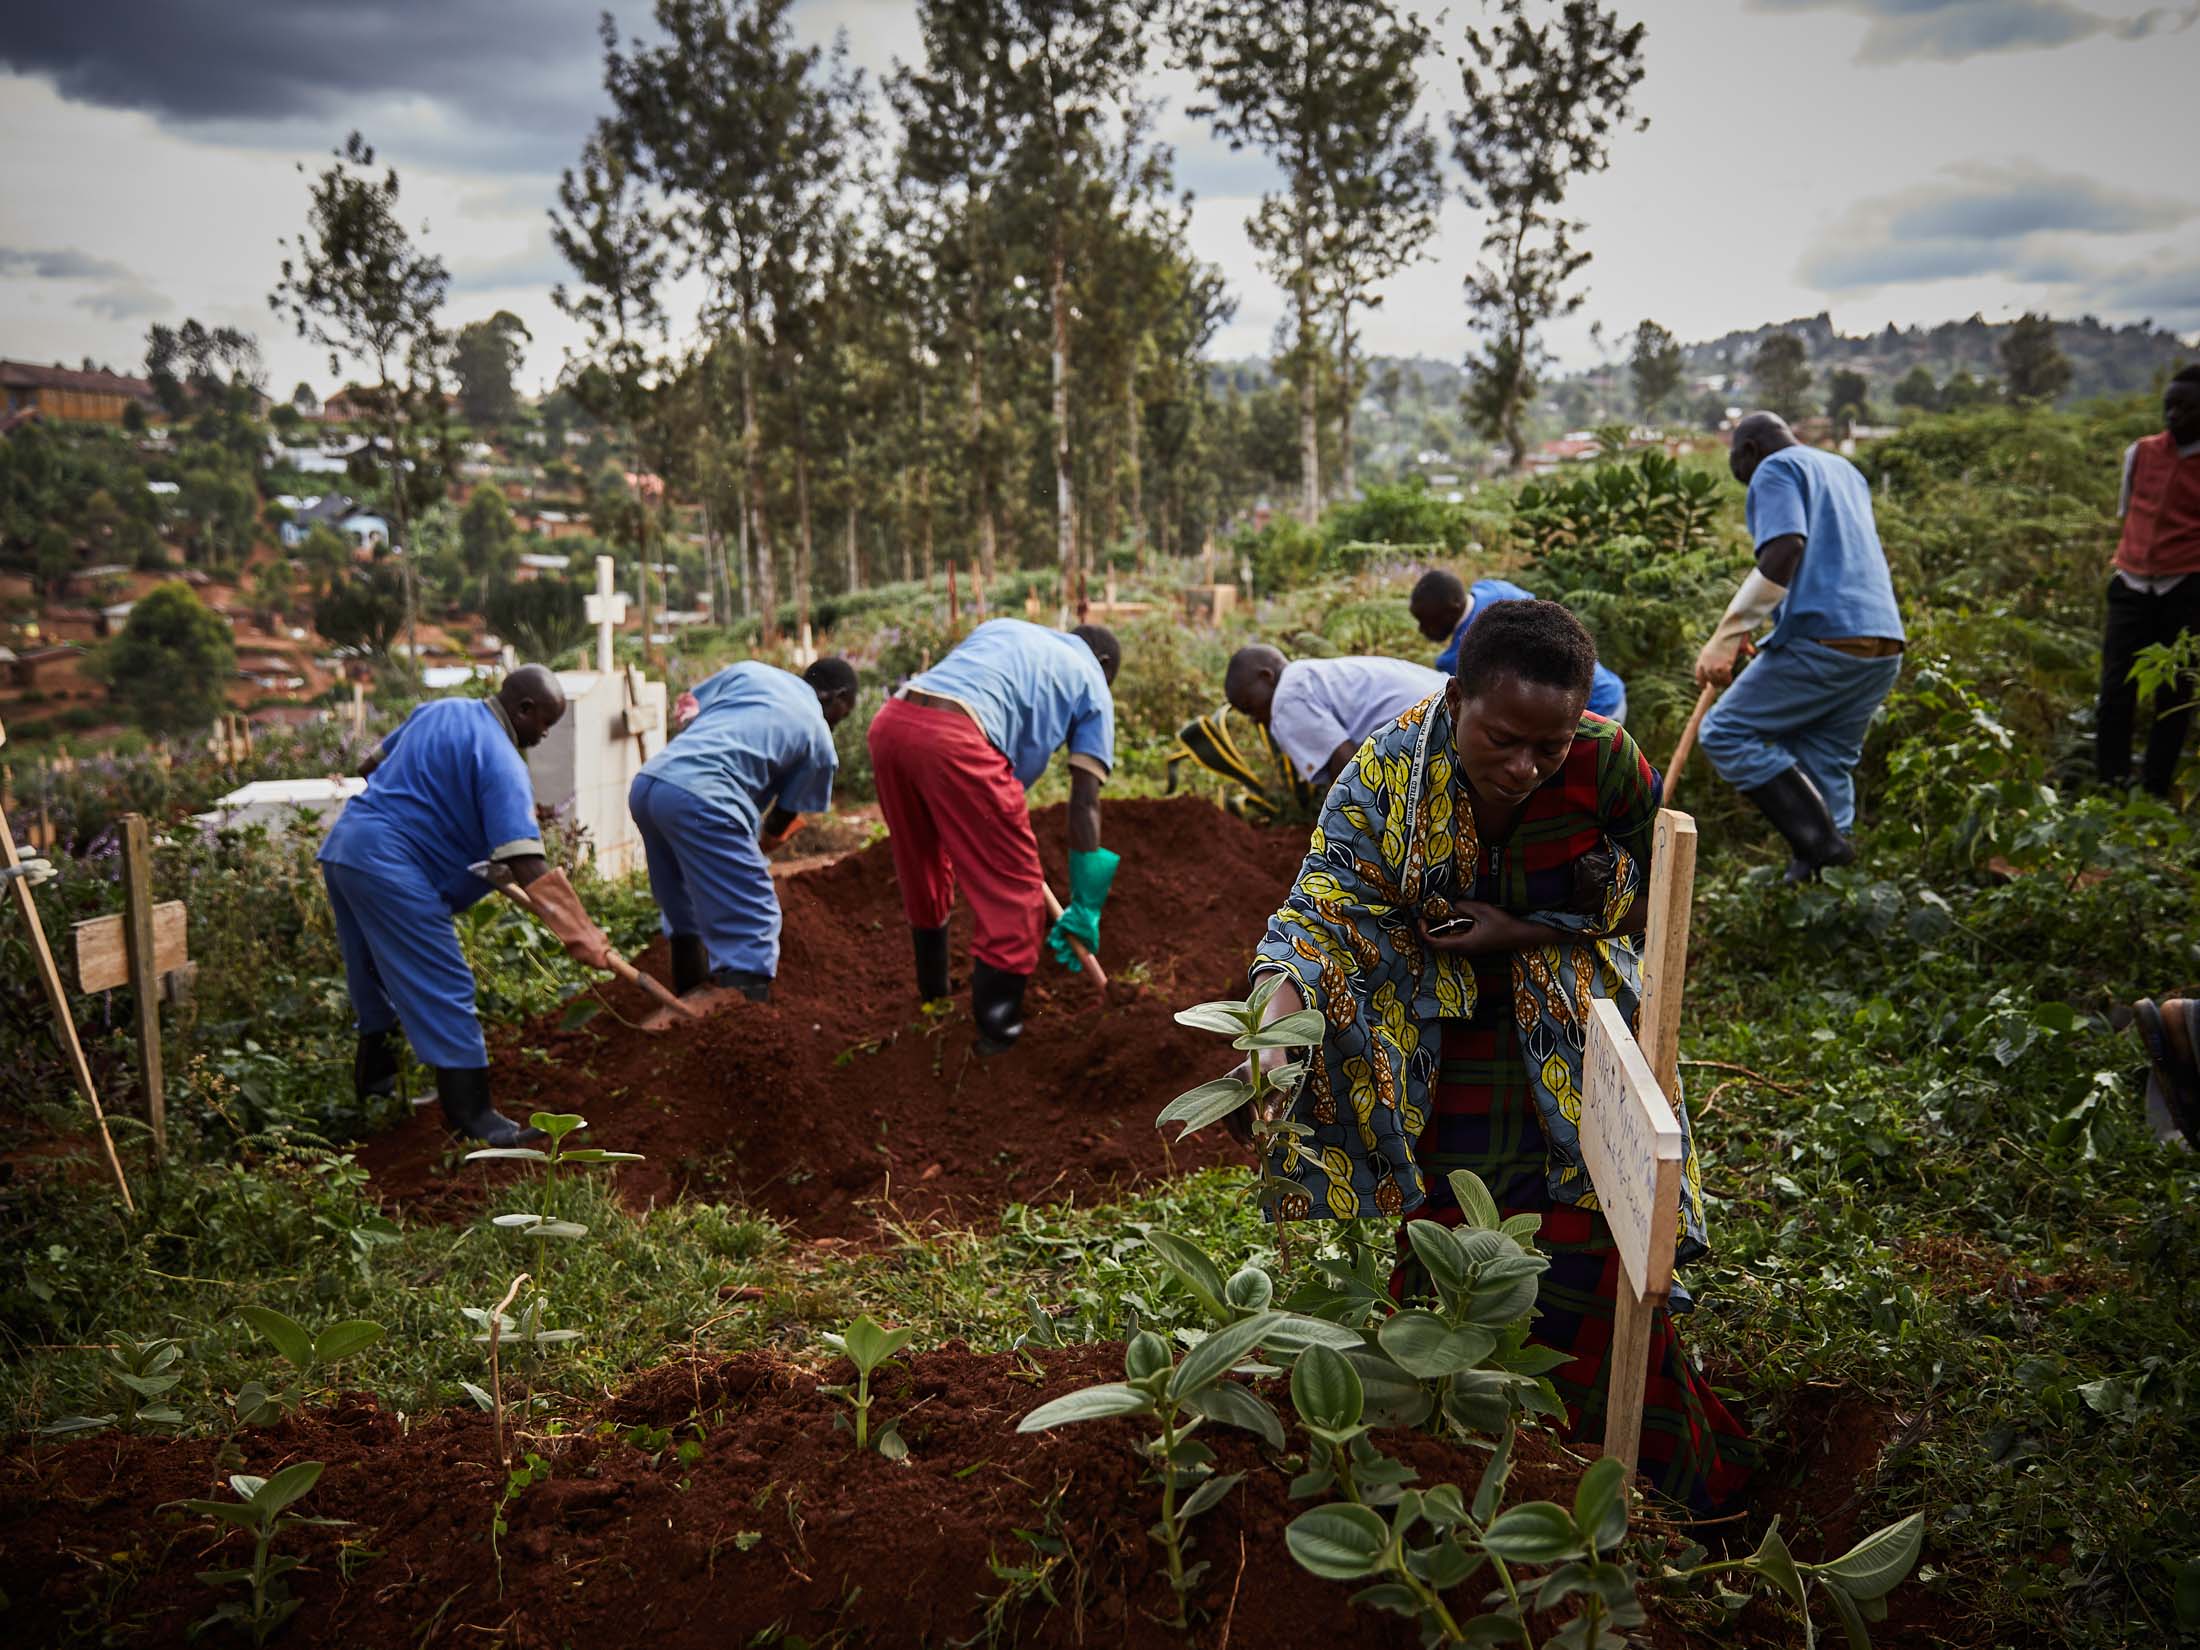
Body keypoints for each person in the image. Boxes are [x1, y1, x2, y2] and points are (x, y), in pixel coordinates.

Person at [1246, 601, 1747, 1510]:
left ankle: (1652, 1491)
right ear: (1457, 696)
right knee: (1447, 1257)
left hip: (1570, 1055)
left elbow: (1650, 905)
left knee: (1595, 1259)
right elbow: (1321, 907)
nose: (1525, 766)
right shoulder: (1388, 769)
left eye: (1547, 748)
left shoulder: (1608, 766)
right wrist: (1272, 1034)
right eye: (1503, 738)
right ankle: (1466, 1477)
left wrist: (1513, 931)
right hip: (1439, 1055)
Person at [320, 665, 610, 1147]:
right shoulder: (503, 761)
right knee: (445, 982)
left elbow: (370, 767)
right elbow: (528, 862)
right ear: (523, 710)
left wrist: (427, 812)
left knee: (369, 974)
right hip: (391, 867)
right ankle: (474, 1118)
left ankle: (376, 1091)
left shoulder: (440, 711)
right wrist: (584, 935)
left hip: (346, 849)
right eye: (544, 722)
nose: (543, 733)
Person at [867, 618, 1121, 1052]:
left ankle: (934, 996)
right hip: (958, 741)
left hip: (892, 724)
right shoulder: (1092, 679)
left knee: (922, 863)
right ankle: (997, 1041)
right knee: (1015, 889)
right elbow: (1084, 801)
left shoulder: (1006, 629)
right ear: (1102, 662)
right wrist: (1086, 904)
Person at [1694, 412, 1905, 880]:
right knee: (1826, 757)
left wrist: (1725, 636)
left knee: (1726, 732)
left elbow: (1786, 548)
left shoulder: (1774, 468)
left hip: (1825, 641)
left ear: (1748, 450)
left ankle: (1822, 845)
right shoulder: (1843, 470)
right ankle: (1829, 887)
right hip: (1881, 644)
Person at [627, 658, 859, 1007]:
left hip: (651, 784)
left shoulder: (752, 672)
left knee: (683, 910)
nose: (841, 722)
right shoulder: (819, 737)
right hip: (703, 798)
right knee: (754, 917)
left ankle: (687, 1010)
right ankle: (746, 1033)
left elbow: (690, 710)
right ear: (839, 698)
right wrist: (761, 845)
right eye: (846, 712)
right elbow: (782, 818)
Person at [2096, 366, 2200, 796]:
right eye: (2169, 406)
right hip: (2132, 584)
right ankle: (2110, 786)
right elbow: (2127, 511)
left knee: (2174, 698)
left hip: (2186, 589)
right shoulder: (2139, 453)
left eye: (2186, 408)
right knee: (2115, 691)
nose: (2173, 416)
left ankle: (2156, 790)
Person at [1411, 568, 1628, 722]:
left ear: (1452, 608)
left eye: (1425, 620)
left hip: (1591, 713)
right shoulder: (1494, 590)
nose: (1421, 630)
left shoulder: (1457, 657)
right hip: (1608, 689)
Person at [1223, 645, 1449, 791]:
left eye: (1247, 706)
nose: (1252, 719)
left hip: (1432, 730)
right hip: (1451, 704)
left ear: (1266, 677)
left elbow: (1346, 766)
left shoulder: (1286, 699)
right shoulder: (1312, 675)